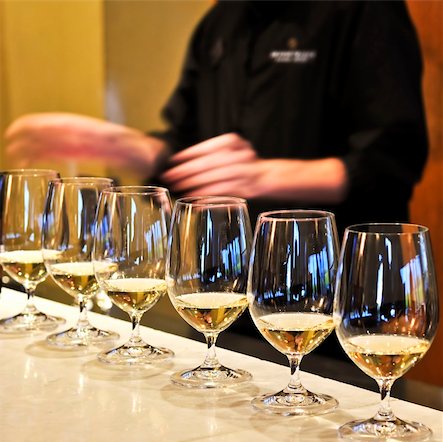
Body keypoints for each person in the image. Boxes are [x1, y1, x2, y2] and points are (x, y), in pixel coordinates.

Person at [4, 1, 428, 354]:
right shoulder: (221, 22)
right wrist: (125, 146)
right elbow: (186, 148)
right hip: (228, 300)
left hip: (338, 304)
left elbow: (395, 158)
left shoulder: (365, 9)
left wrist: (266, 175)